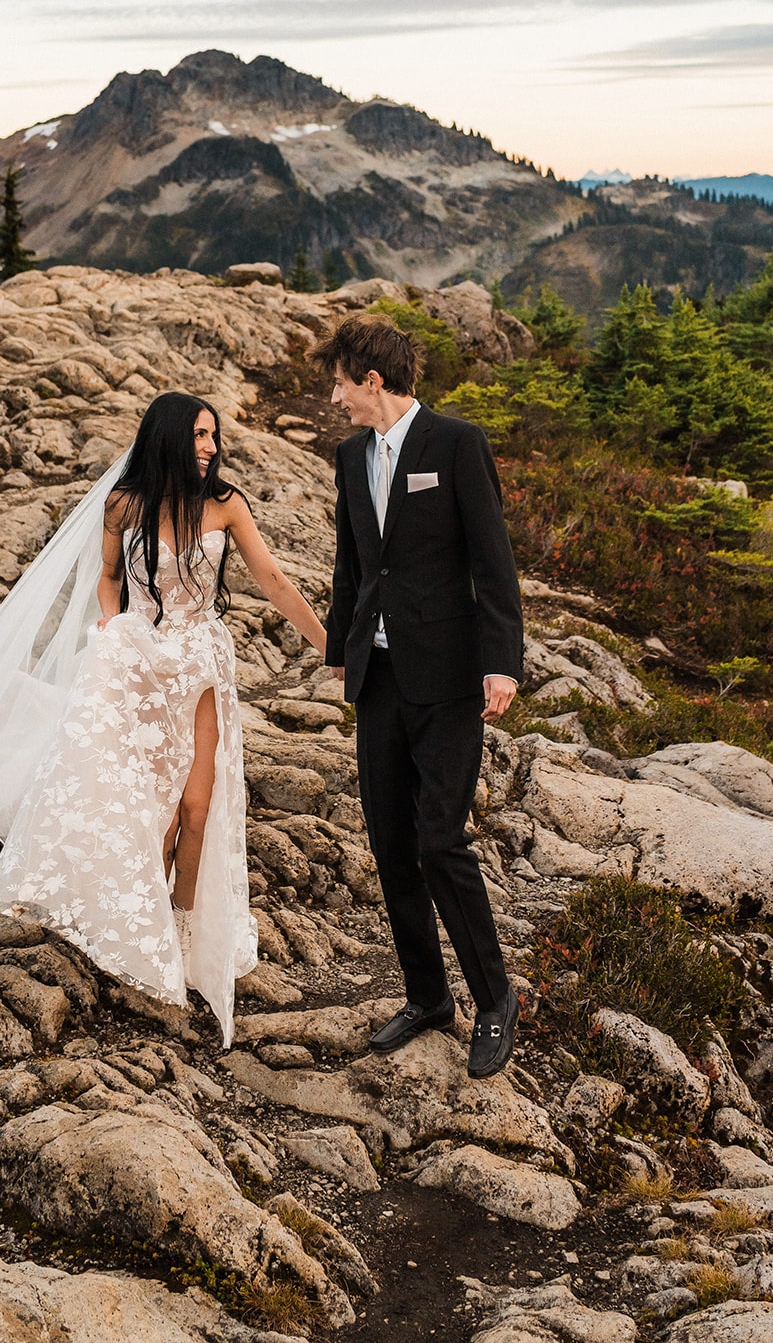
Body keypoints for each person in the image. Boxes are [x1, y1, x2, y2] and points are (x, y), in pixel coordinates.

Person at [0, 392, 328, 1046]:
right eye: (198, 436)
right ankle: (141, 933)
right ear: (169, 439)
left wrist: (331, 648)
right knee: (157, 810)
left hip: (199, 664)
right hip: (139, 662)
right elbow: (110, 576)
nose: (209, 446)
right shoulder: (124, 503)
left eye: (213, 436)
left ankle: (180, 934)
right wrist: (111, 622)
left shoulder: (226, 504)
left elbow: (273, 579)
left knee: (199, 809)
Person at [311, 314, 523, 1078]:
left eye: (340, 382)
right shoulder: (347, 456)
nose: (334, 397)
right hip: (379, 680)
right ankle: (427, 997)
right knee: (391, 845)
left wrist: (501, 663)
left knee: (440, 840)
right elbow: (351, 560)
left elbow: (492, 561)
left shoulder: (456, 444)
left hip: (448, 677)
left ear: (372, 381)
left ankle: (494, 1000)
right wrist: (341, 647)